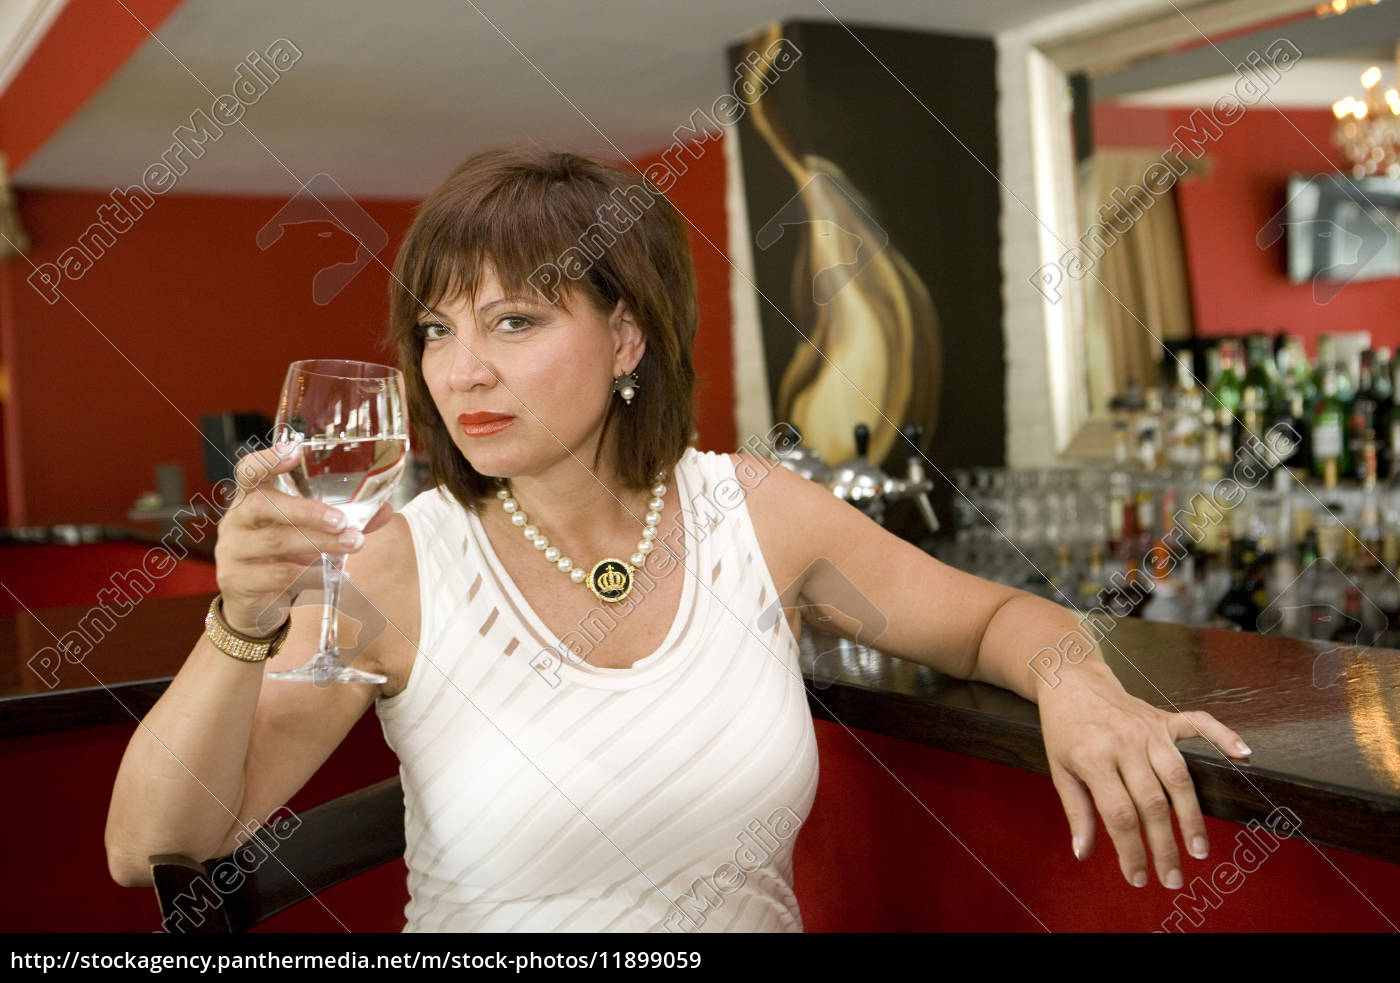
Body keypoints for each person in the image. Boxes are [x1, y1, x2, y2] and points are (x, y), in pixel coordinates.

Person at [106, 146, 1252, 932]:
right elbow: (149, 842)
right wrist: (239, 621)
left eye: (514, 319)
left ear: (624, 337)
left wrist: (1075, 679)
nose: (460, 370)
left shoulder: (748, 511)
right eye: (437, 328)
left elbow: (992, 613)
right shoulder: (401, 562)